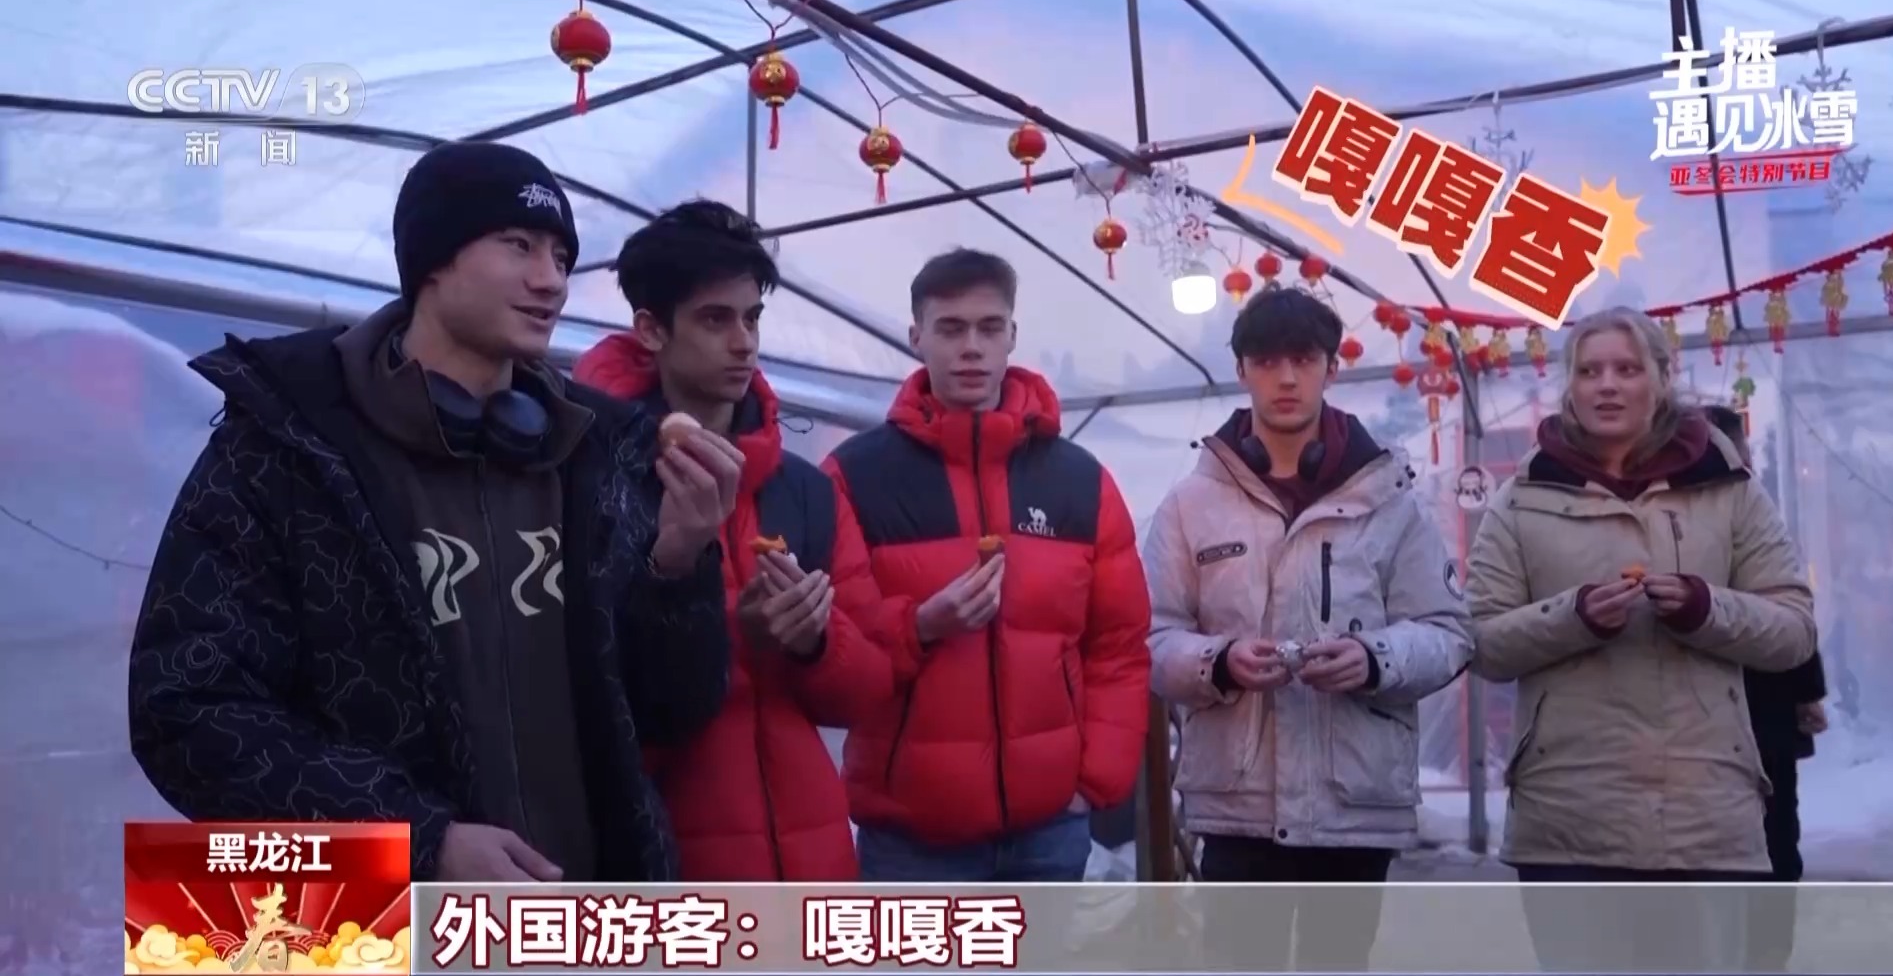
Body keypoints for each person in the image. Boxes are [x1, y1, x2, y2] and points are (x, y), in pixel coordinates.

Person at [128, 142, 737, 883]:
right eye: (518, 245)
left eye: (561, 257)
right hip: (379, 920)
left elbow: (674, 710)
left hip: (580, 917)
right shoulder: (288, 447)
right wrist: (420, 840)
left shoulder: (599, 453)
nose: (551, 280)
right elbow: (186, 710)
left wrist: (678, 565)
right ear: (432, 261)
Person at [1466, 308, 1817, 970]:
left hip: (1703, 813)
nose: (1607, 385)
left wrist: (1706, 608)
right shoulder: (1521, 497)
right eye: (1590, 370)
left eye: (1627, 369)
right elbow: (1480, 642)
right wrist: (1572, 617)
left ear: (1660, 378)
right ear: (1570, 385)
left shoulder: (1729, 490)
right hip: (1567, 815)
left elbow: (1794, 629)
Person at [1141, 285, 1473, 971]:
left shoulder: (1390, 499)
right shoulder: (1190, 504)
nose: (1286, 378)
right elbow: (1150, 636)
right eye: (1267, 361)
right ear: (1241, 370)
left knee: (1337, 963)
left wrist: (1374, 658)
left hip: (1355, 804)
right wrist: (1219, 662)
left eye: (1303, 359)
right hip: (1237, 804)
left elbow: (1448, 632)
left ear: (1332, 367)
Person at [572, 199, 895, 880]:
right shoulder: (592, 475)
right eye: (715, 319)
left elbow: (869, 690)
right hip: (670, 863)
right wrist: (709, 622)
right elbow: (588, 705)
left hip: (814, 861)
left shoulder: (806, 489)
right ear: (651, 330)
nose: (744, 342)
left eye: (752, 318)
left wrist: (814, 641)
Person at [823, 248, 1151, 883]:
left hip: (1050, 829)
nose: (971, 347)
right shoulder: (856, 475)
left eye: (988, 327)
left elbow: (1118, 645)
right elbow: (837, 648)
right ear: (916, 337)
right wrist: (920, 626)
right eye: (950, 329)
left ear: (1012, 336)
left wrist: (1094, 781)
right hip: (912, 838)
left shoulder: (1079, 480)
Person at [1701, 404, 1828, 971]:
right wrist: (1807, 692)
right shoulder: (1734, 507)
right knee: (1768, 841)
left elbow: (1790, 609)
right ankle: (1761, 956)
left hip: (1750, 705)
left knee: (1768, 841)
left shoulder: (1732, 507)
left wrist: (1807, 690)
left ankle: (1761, 956)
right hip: (1745, 704)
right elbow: (1790, 605)